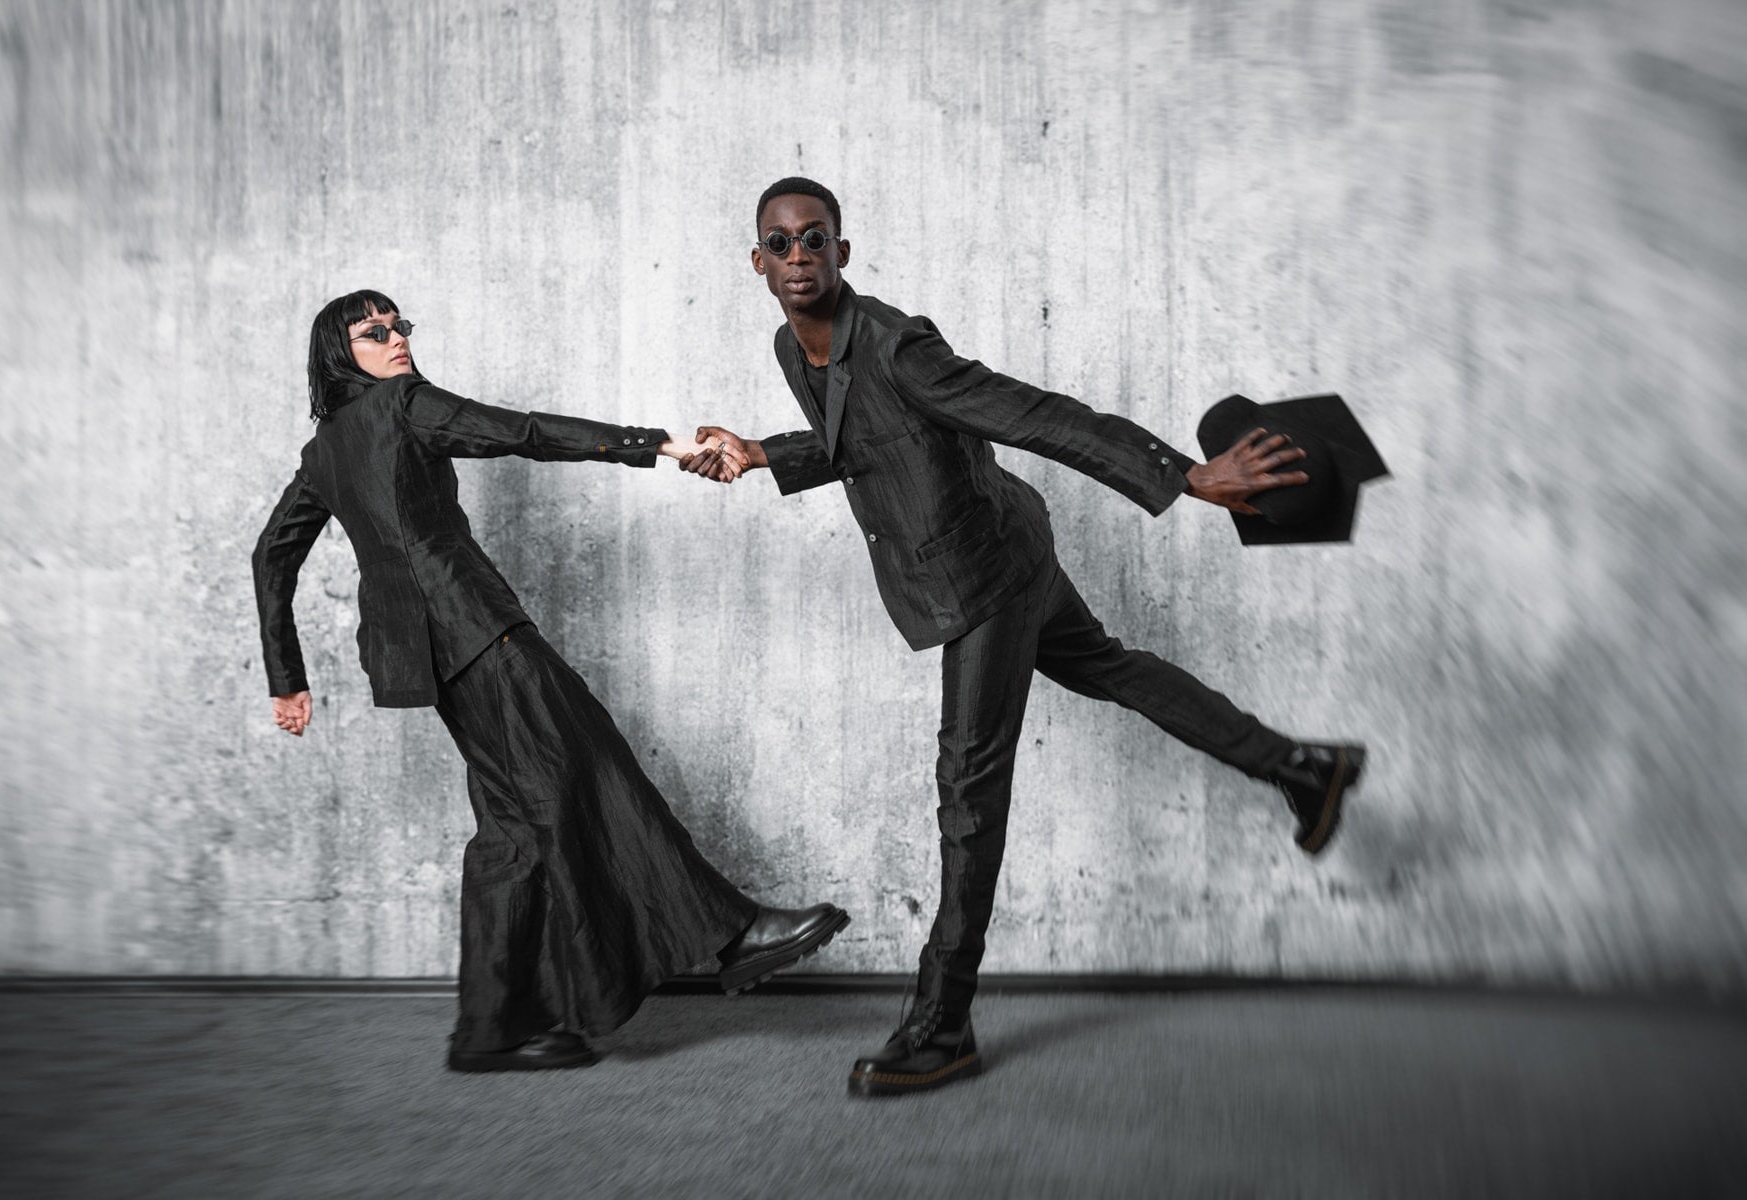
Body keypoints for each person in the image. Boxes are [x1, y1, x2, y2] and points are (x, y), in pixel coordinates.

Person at [683, 179, 1366, 1097]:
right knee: (1114, 668)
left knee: (967, 786)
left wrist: (1184, 474)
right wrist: (767, 453)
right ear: (756, 262)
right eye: (780, 242)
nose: (799, 256)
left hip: (985, 580)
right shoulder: (791, 344)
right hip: (1010, 545)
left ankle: (942, 1022)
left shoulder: (900, 346)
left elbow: (1032, 413)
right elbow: (861, 441)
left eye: (816, 240)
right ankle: (1301, 768)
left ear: (844, 252)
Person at [252, 289, 849, 1072]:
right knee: (590, 766)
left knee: (512, 832)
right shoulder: (405, 405)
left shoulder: (323, 451)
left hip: (424, 653)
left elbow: (271, 556)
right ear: (342, 354)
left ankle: (492, 1028)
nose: (397, 338)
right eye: (375, 332)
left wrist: (286, 678)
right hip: (478, 630)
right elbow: (525, 433)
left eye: (401, 325)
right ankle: (728, 933)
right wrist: (659, 444)